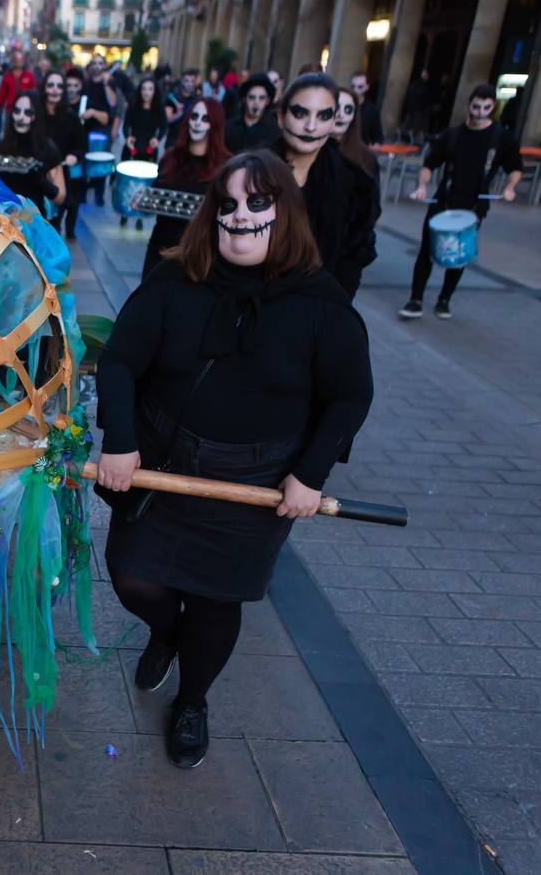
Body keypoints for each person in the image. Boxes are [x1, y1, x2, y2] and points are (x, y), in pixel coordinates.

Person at [97, 150, 372, 769]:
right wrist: (119, 438)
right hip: (163, 466)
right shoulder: (174, 281)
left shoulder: (322, 307)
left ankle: (193, 701)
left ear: (285, 213)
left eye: (256, 203)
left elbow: (350, 395)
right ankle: (165, 630)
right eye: (226, 205)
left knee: (217, 605)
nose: (239, 217)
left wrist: (310, 475)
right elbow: (118, 360)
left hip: (254, 484)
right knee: (131, 576)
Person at [400, 84, 522, 320]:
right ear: (469, 105)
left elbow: (515, 168)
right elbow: (429, 164)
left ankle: (444, 300)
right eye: (476, 106)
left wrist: (510, 187)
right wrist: (422, 185)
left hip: (473, 207)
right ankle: (415, 299)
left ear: (493, 107)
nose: (480, 112)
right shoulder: (453, 135)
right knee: (426, 251)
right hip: (443, 202)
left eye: (486, 107)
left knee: (459, 256)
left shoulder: (501, 138)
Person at [269, 72, 379, 299]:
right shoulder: (250, 173)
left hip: (318, 311)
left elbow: (352, 263)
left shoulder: (356, 186)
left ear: (333, 121)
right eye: (301, 113)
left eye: (323, 116)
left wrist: (333, 312)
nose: (311, 126)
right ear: (281, 117)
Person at [142, 98, 230, 277]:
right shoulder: (171, 158)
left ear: (215, 124)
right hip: (160, 247)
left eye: (205, 119)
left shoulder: (225, 166)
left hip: (198, 252)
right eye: (194, 116)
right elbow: (154, 197)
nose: (197, 123)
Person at [0, 91, 65, 215]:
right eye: (17, 111)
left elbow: (60, 198)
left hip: (34, 223)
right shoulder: (0, 147)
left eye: (28, 113)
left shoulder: (48, 150)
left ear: (36, 116)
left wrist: (39, 179)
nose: (20, 117)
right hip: (4, 222)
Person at [43, 70, 86, 238]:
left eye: (59, 86)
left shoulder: (71, 117)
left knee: (55, 222)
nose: (55, 89)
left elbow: (82, 145)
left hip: (60, 175)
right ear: (44, 88)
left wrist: (74, 156)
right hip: (38, 175)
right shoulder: (36, 115)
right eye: (51, 85)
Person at [120, 75, 166, 228]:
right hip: (133, 147)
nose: (147, 92)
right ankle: (125, 213)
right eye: (144, 89)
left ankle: (140, 215)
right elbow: (126, 125)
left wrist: (157, 139)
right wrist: (128, 137)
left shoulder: (158, 109)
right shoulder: (133, 106)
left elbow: (164, 127)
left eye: (150, 89)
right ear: (140, 91)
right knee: (128, 182)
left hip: (149, 149)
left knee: (145, 183)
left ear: (155, 91)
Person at [83, 57, 117, 205]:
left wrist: (105, 83)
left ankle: (99, 195)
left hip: (102, 130)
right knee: (85, 161)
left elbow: (113, 104)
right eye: (94, 63)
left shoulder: (108, 84)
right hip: (86, 128)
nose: (97, 66)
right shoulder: (85, 85)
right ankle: (83, 193)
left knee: (101, 161)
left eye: (100, 63)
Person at [224, 72, 280, 152]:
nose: (256, 103)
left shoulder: (274, 131)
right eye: (251, 97)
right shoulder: (229, 127)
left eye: (261, 98)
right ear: (244, 99)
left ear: (267, 101)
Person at [332, 86, 379, 180]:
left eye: (348, 110)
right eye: (337, 108)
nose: (341, 115)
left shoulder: (366, 156)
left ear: (354, 116)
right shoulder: (311, 149)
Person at [0, 50, 37, 118]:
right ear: (14, 61)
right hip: (10, 107)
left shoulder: (29, 75)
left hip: (25, 107)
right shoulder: (7, 75)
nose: (19, 62)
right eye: (17, 60)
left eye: (20, 60)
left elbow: (33, 90)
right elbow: (2, 92)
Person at [350, 71, 384, 146]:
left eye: (360, 87)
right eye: (353, 86)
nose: (355, 90)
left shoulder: (372, 110)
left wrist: (375, 145)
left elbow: (377, 136)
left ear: (367, 87)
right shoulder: (343, 105)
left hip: (360, 152)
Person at [402, 69, 431, 136]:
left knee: (409, 123)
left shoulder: (416, 84)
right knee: (414, 125)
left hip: (414, 108)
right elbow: (422, 97)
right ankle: (407, 137)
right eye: (425, 75)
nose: (426, 77)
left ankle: (404, 136)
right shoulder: (420, 85)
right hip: (417, 109)